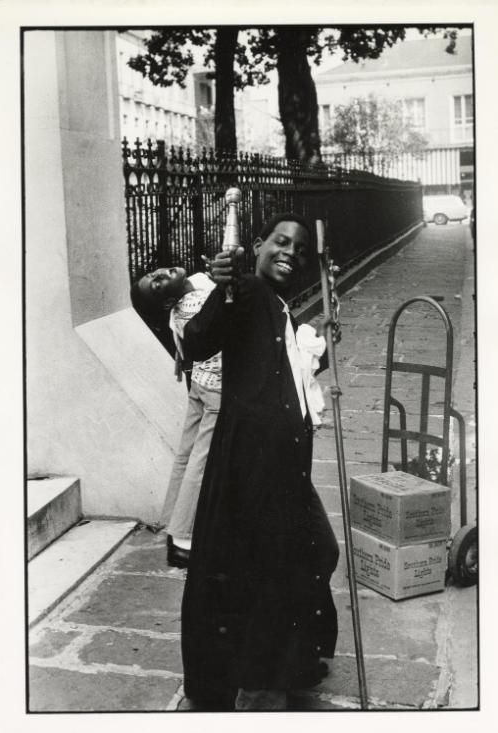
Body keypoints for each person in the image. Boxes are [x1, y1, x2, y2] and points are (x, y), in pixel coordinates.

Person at [180, 212, 340, 711]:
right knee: (267, 575)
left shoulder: (279, 308)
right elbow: (200, 340)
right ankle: (256, 689)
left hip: (284, 469)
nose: (290, 251)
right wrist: (223, 286)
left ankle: (293, 661)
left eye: (299, 247)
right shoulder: (244, 292)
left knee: (316, 553)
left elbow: (288, 372)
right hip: (252, 470)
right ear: (257, 245)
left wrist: (323, 344)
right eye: (280, 241)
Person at [130, 267, 221, 568]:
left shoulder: (190, 287)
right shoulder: (194, 303)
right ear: (168, 303)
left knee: (186, 455)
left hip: (199, 384)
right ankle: (183, 538)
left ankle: (171, 521)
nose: (159, 273)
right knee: (201, 460)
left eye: (153, 275)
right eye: (157, 284)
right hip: (216, 389)